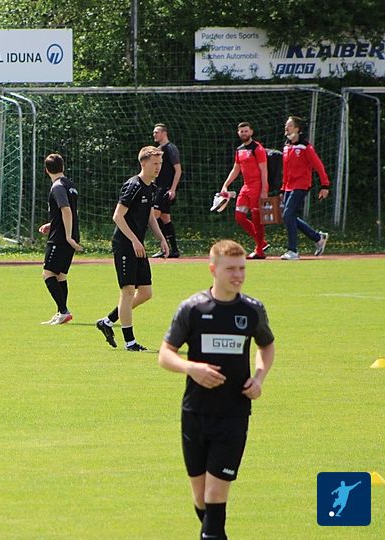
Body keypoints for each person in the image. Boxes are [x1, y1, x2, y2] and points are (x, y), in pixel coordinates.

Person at [158, 239, 275, 540]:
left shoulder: (252, 310)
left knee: (215, 495)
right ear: (213, 269)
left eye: (242, 269)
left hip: (233, 414)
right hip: (195, 412)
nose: (238, 275)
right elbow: (165, 355)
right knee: (201, 497)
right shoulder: (193, 308)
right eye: (230, 269)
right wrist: (191, 368)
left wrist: (259, 378)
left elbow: (266, 346)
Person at [95, 146, 169, 352]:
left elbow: (149, 216)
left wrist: (161, 238)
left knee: (145, 292)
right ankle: (130, 342)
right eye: (155, 163)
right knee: (128, 291)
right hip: (125, 244)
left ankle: (107, 322)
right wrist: (135, 240)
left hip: (137, 245)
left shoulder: (151, 187)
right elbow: (117, 216)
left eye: (160, 163)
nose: (158, 167)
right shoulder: (133, 185)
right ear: (143, 163)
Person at [37, 153, 82, 325]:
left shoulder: (57, 187)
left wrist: (68, 236)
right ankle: (61, 312)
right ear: (62, 167)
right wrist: (52, 224)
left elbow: (66, 210)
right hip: (68, 233)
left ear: (46, 170)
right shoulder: (70, 185)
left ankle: (63, 311)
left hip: (61, 238)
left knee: (48, 273)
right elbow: (68, 213)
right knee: (60, 275)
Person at [280, 115, 331, 260]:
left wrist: (325, 185)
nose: (286, 127)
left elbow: (319, 166)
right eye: (286, 125)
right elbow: (286, 170)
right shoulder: (286, 147)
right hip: (288, 186)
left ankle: (293, 251)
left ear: (297, 129)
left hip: (301, 185)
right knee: (289, 216)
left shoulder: (306, 147)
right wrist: (282, 189)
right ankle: (318, 238)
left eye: (290, 125)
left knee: (288, 215)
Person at [218, 122, 269, 259]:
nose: (244, 133)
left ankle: (259, 250)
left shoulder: (257, 148)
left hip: (257, 186)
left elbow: (264, 170)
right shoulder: (239, 149)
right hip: (246, 187)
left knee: (257, 219)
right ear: (238, 133)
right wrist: (225, 185)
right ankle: (262, 243)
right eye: (241, 131)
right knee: (239, 217)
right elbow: (236, 169)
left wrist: (264, 190)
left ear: (251, 132)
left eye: (246, 131)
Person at [151, 123, 183, 258]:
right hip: (158, 188)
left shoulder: (171, 148)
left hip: (165, 189)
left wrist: (173, 189)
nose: (154, 134)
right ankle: (173, 250)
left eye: (156, 132)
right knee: (165, 218)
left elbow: (178, 170)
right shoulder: (158, 149)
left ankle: (164, 248)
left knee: (153, 216)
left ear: (164, 133)